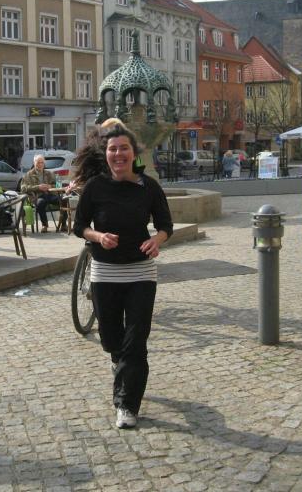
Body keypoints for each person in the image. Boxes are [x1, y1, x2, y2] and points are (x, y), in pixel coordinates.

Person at [72, 124, 173, 429]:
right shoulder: (95, 187)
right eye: (113, 149)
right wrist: (98, 236)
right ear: (105, 154)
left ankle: (127, 405)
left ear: (133, 153)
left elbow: (165, 225)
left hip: (141, 272)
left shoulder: (148, 186)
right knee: (111, 338)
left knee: (136, 340)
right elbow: (79, 226)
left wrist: (156, 240)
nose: (118, 154)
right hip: (105, 273)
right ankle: (117, 361)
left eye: (124, 148)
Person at [20, 154, 59, 233]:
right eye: (38, 162)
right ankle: (45, 225)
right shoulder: (29, 174)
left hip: (49, 194)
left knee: (63, 200)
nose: (40, 164)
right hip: (37, 196)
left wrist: (50, 186)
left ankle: (64, 224)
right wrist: (38, 187)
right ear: (34, 163)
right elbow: (23, 188)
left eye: (42, 162)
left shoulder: (49, 173)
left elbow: (57, 185)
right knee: (40, 203)